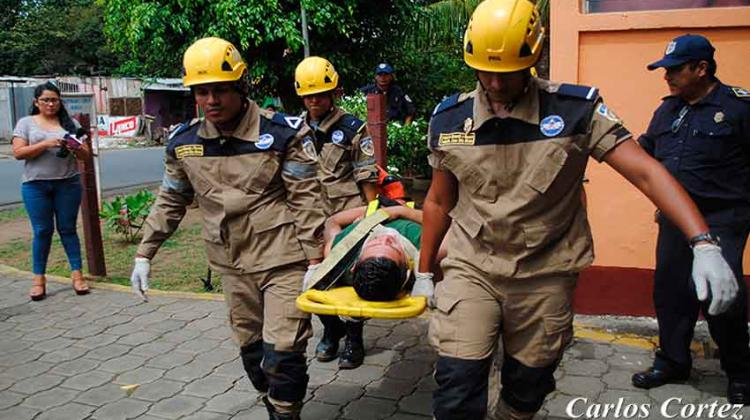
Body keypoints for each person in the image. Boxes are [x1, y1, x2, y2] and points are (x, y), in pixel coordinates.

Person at [417, 1, 738, 419]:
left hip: (545, 271)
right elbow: (439, 201)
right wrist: (425, 272)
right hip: (473, 267)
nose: (494, 84)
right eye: (484, 71)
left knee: (528, 386)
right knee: (457, 387)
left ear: (533, 58)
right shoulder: (449, 120)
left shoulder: (574, 112)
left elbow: (644, 172)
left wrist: (703, 243)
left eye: (507, 72)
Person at [128, 37, 325, 420]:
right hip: (232, 263)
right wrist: (144, 254)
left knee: (283, 353)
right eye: (202, 92)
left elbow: (306, 200)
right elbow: (171, 199)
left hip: (283, 259)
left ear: (241, 86)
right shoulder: (184, 144)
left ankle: (286, 412)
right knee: (254, 355)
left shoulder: (283, 134)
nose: (211, 100)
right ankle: (274, 401)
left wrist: (316, 259)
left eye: (220, 89)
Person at [631, 34, 750, 404]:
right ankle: (673, 361)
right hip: (674, 220)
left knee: (721, 295)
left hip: (722, 218)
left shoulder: (738, 108)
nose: (667, 76)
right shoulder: (668, 110)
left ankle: (741, 371)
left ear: (701, 68)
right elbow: (647, 152)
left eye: (674, 69)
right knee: (670, 292)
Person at [294, 56, 379, 369]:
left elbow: (366, 175)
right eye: (308, 94)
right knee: (312, 278)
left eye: (320, 94)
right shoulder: (296, 129)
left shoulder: (353, 128)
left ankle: (354, 338)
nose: (314, 100)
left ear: (334, 93)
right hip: (309, 216)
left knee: (349, 278)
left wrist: (371, 216)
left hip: (346, 213)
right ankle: (331, 329)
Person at [11, 81, 91, 301]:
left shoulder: (70, 123)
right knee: (42, 231)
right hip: (36, 185)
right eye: (45, 100)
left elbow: (85, 155)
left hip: (68, 183)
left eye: (54, 99)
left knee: (67, 229)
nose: (50, 104)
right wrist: (46, 144)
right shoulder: (26, 123)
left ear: (60, 101)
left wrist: (74, 146)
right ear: (36, 102)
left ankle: (77, 276)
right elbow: (18, 153)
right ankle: (39, 280)